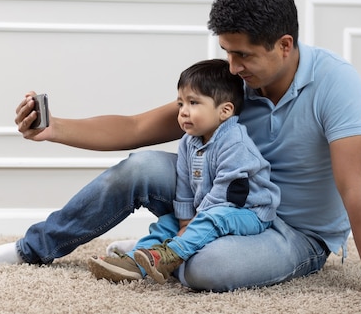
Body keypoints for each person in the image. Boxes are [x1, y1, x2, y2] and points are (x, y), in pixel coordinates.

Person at [0, 0, 361, 307]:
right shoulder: (236, 83)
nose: (232, 68)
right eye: (226, 52)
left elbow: (355, 189)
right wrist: (54, 128)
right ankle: (30, 249)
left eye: (243, 55)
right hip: (218, 198)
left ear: (284, 45)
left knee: (203, 270)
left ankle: (156, 251)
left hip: (296, 233)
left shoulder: (337, 84)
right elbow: (140, 127)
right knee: (141, 165)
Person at [87, 58, 280, 285]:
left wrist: (192, 226)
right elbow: (185, 185)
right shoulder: (189, 141)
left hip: (249, 212)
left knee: (214, 218)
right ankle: (134, 262)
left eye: (193, 103)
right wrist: (185, 220)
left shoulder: (235, 142)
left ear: (225, 110)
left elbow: (228, 195)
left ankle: (171, 255)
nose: (183, 112)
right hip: (207, 210)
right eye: (181, 104)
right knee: (167, 223)